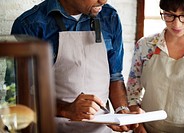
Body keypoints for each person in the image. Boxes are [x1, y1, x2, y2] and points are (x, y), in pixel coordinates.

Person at [11, 0, 136, 132]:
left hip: (101, 129)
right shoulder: (30, 25)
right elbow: (21, 94)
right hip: (52, 127)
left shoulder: (110, 17)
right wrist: (65, 109)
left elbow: (115, 76)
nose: (103, 1)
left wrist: (122, 111)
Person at [127, 0, 184, 133]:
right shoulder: (146, 45)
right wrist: (137, 122)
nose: (176, 24)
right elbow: (133, 89)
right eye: (169, 15)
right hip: (148, 129)